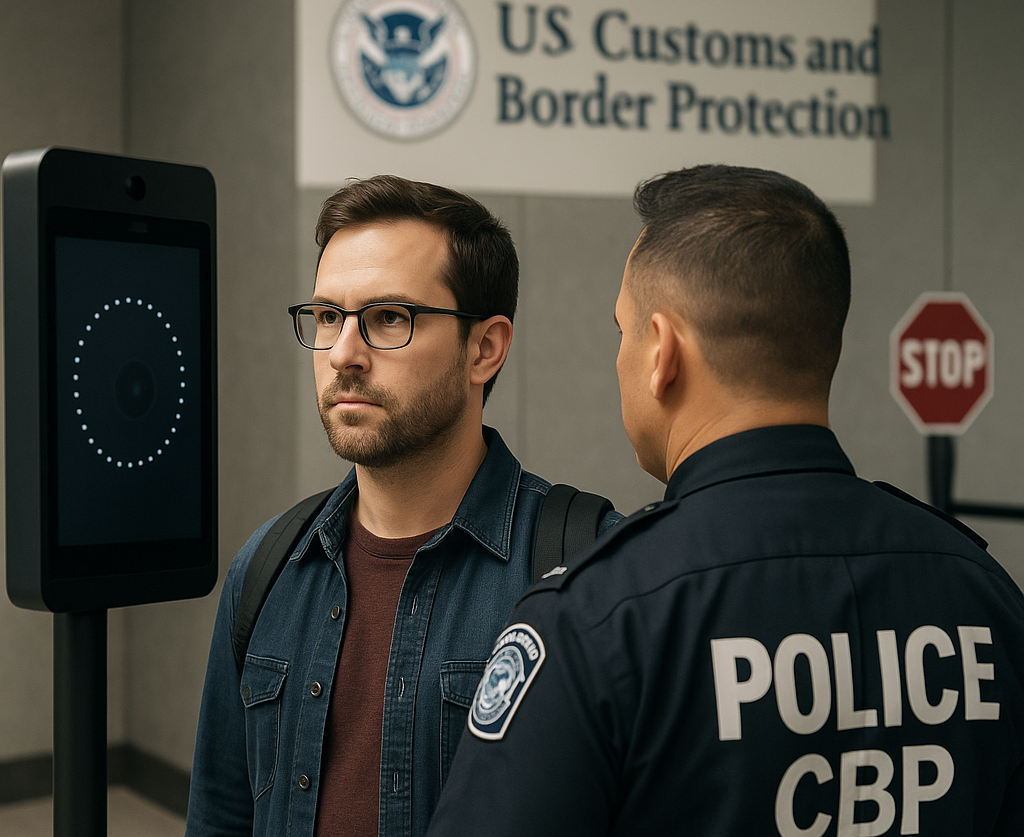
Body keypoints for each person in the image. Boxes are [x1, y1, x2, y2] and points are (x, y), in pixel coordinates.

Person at [427, 165, 1024, 836]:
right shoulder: (987, 598)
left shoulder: (600, 620)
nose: (620, 357)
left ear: (664, 353)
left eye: (623, 330)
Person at [184, 175, 620, 837]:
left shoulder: (584, 569)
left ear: (485, 347)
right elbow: (220, 814)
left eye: (390, 317)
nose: (343, 354)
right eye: (328, 316)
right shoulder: (268, 567)